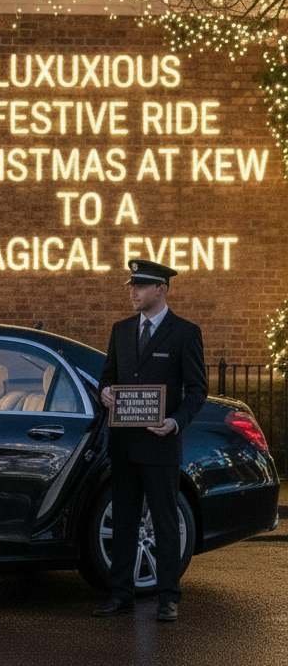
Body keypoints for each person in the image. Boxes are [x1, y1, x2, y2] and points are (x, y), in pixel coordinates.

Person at [92, 259, 207, 622]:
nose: (133, 291)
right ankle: (121, 593)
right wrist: (106, 393)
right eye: (131, 285)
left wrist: (175, 421)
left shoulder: (184, 333)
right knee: (125, 519)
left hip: (160, 445)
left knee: (164, 522)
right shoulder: (121, 330)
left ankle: (168, 597)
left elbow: (197, 389)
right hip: (124, 445)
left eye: (140, 286)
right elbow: (107, 377)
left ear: (161, 289)